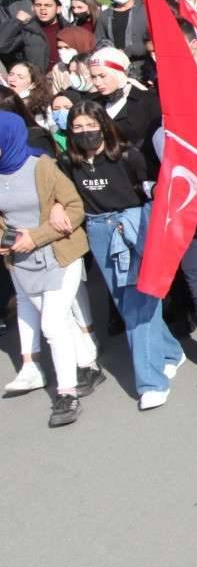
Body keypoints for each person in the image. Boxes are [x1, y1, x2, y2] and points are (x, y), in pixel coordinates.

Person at [58, 102, 185, 410]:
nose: (85, 132)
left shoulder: (128, 156)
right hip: (98, 231)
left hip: (132, 228)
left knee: (138, 305)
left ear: (103, 125)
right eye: (77, 127)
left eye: (91, 125)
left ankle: (151, 382)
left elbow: (153, 189)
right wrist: (57, 205)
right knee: (124, 302)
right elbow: (61, 193)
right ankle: (170, 351)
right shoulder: (67, 161)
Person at [0, 112, 93, 428]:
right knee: (61, 319)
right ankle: (89, 364)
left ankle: (67, 395)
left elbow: (75, 208)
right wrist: (8, 240)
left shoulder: (42, 167)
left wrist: (35, 236)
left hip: (59, 255)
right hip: (23, 263)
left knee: (52, 324)